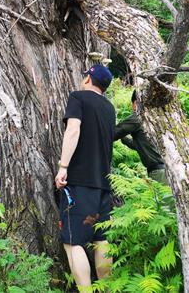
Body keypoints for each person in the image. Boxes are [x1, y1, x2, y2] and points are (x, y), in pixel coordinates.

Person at [54, 64, 116, 291]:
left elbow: (73, 129)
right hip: (103, 185)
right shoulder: (109, 108)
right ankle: (107, 289)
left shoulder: (78, 97)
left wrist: (63, 167)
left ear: (89, 79)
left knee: (73, 241)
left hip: (80, 183)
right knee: (101, 239)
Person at [114, 90, 167, 184]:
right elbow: (141, 145)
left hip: (159, 172)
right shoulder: (157, 118)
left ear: (135, 103)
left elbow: (113, 133)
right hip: (168, 170)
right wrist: (124, 138)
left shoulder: (138, 118)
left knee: (162, 194)